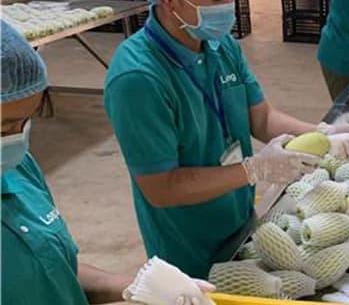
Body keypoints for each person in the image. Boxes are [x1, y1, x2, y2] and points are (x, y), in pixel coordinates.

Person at [103, 0, 349, 279]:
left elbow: (260, 116)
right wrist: (253, 169)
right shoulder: (138, 79)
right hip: (188, 241)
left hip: (239, 216)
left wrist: (324, 134)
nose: (228, 5)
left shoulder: (219, 45)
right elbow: (161, 188)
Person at [1, 21, 213, 305]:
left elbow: (55, 269)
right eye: (4, 128)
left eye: (25, 121)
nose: (16, 138)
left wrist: (137, 286)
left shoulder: (16, 168)